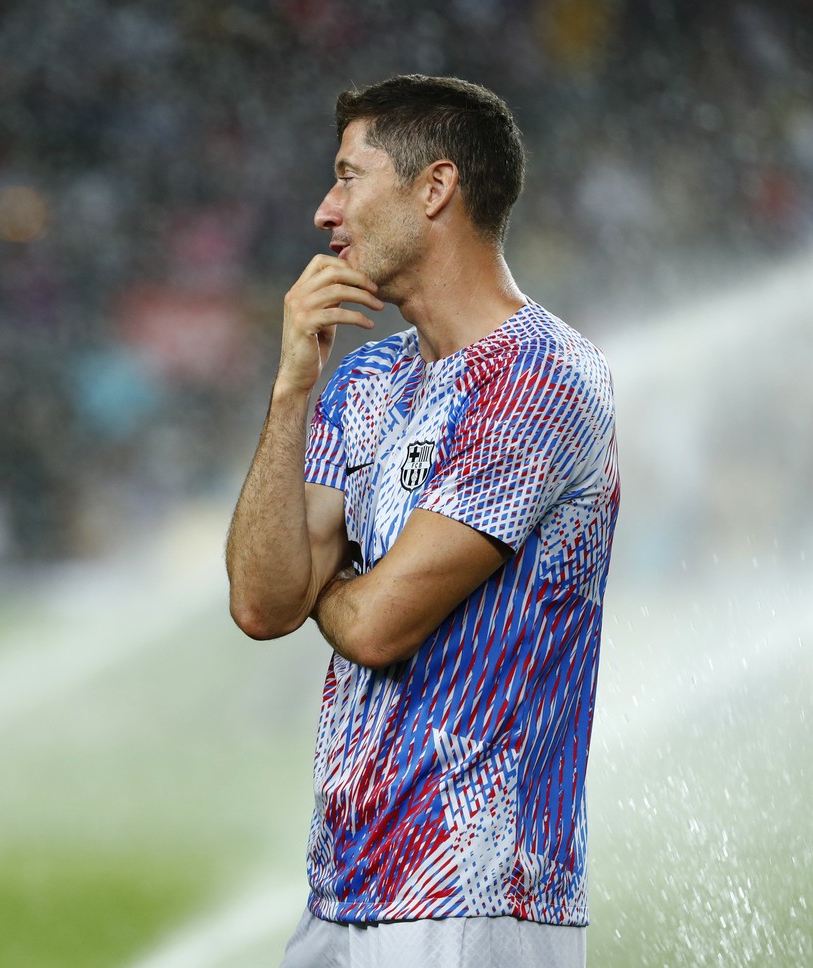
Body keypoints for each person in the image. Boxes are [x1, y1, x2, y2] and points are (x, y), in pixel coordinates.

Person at [225, 74, 619, 967]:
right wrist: (292, 389)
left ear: (434, 188)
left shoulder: (540, 381)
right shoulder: (365, 382)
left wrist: (322, 580)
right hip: (344, 885)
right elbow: (258, 603)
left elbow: (374, 628)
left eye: (348, 176)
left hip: (478, 892)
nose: (325, 210)